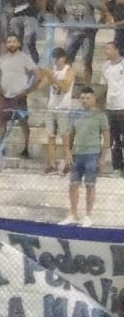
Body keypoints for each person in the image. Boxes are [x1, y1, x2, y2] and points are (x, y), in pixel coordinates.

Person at [66, 87, 105, 225]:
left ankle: (88, 215)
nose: (85, 101)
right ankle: (73, 213)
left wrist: (102, 157)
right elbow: (70, 135)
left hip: (92, 154)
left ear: (94, 99)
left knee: (90, 185)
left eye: (88, 98)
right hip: (77, 154)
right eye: (82, 98)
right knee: (73, 185)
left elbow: (106, 137)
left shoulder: (100, 116)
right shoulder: (76, 114)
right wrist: (68, 152)